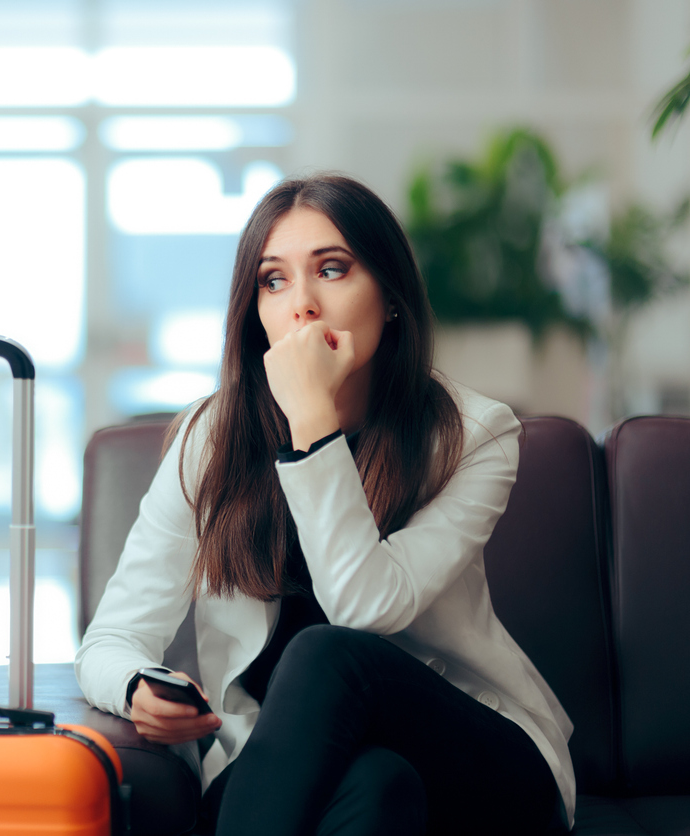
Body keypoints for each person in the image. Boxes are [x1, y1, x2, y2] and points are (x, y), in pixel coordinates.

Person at [74, 174, 574, 835]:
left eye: (331, 270)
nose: (301, 305)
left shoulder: (473, 435)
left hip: (481, 765)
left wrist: (312, 418)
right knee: (378, 787)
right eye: (273, 282)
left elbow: (364, 610)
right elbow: (111, 639)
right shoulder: (210, 440)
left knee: (325, 655)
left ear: (390, 298)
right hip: (303, 772)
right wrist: (139, 686)